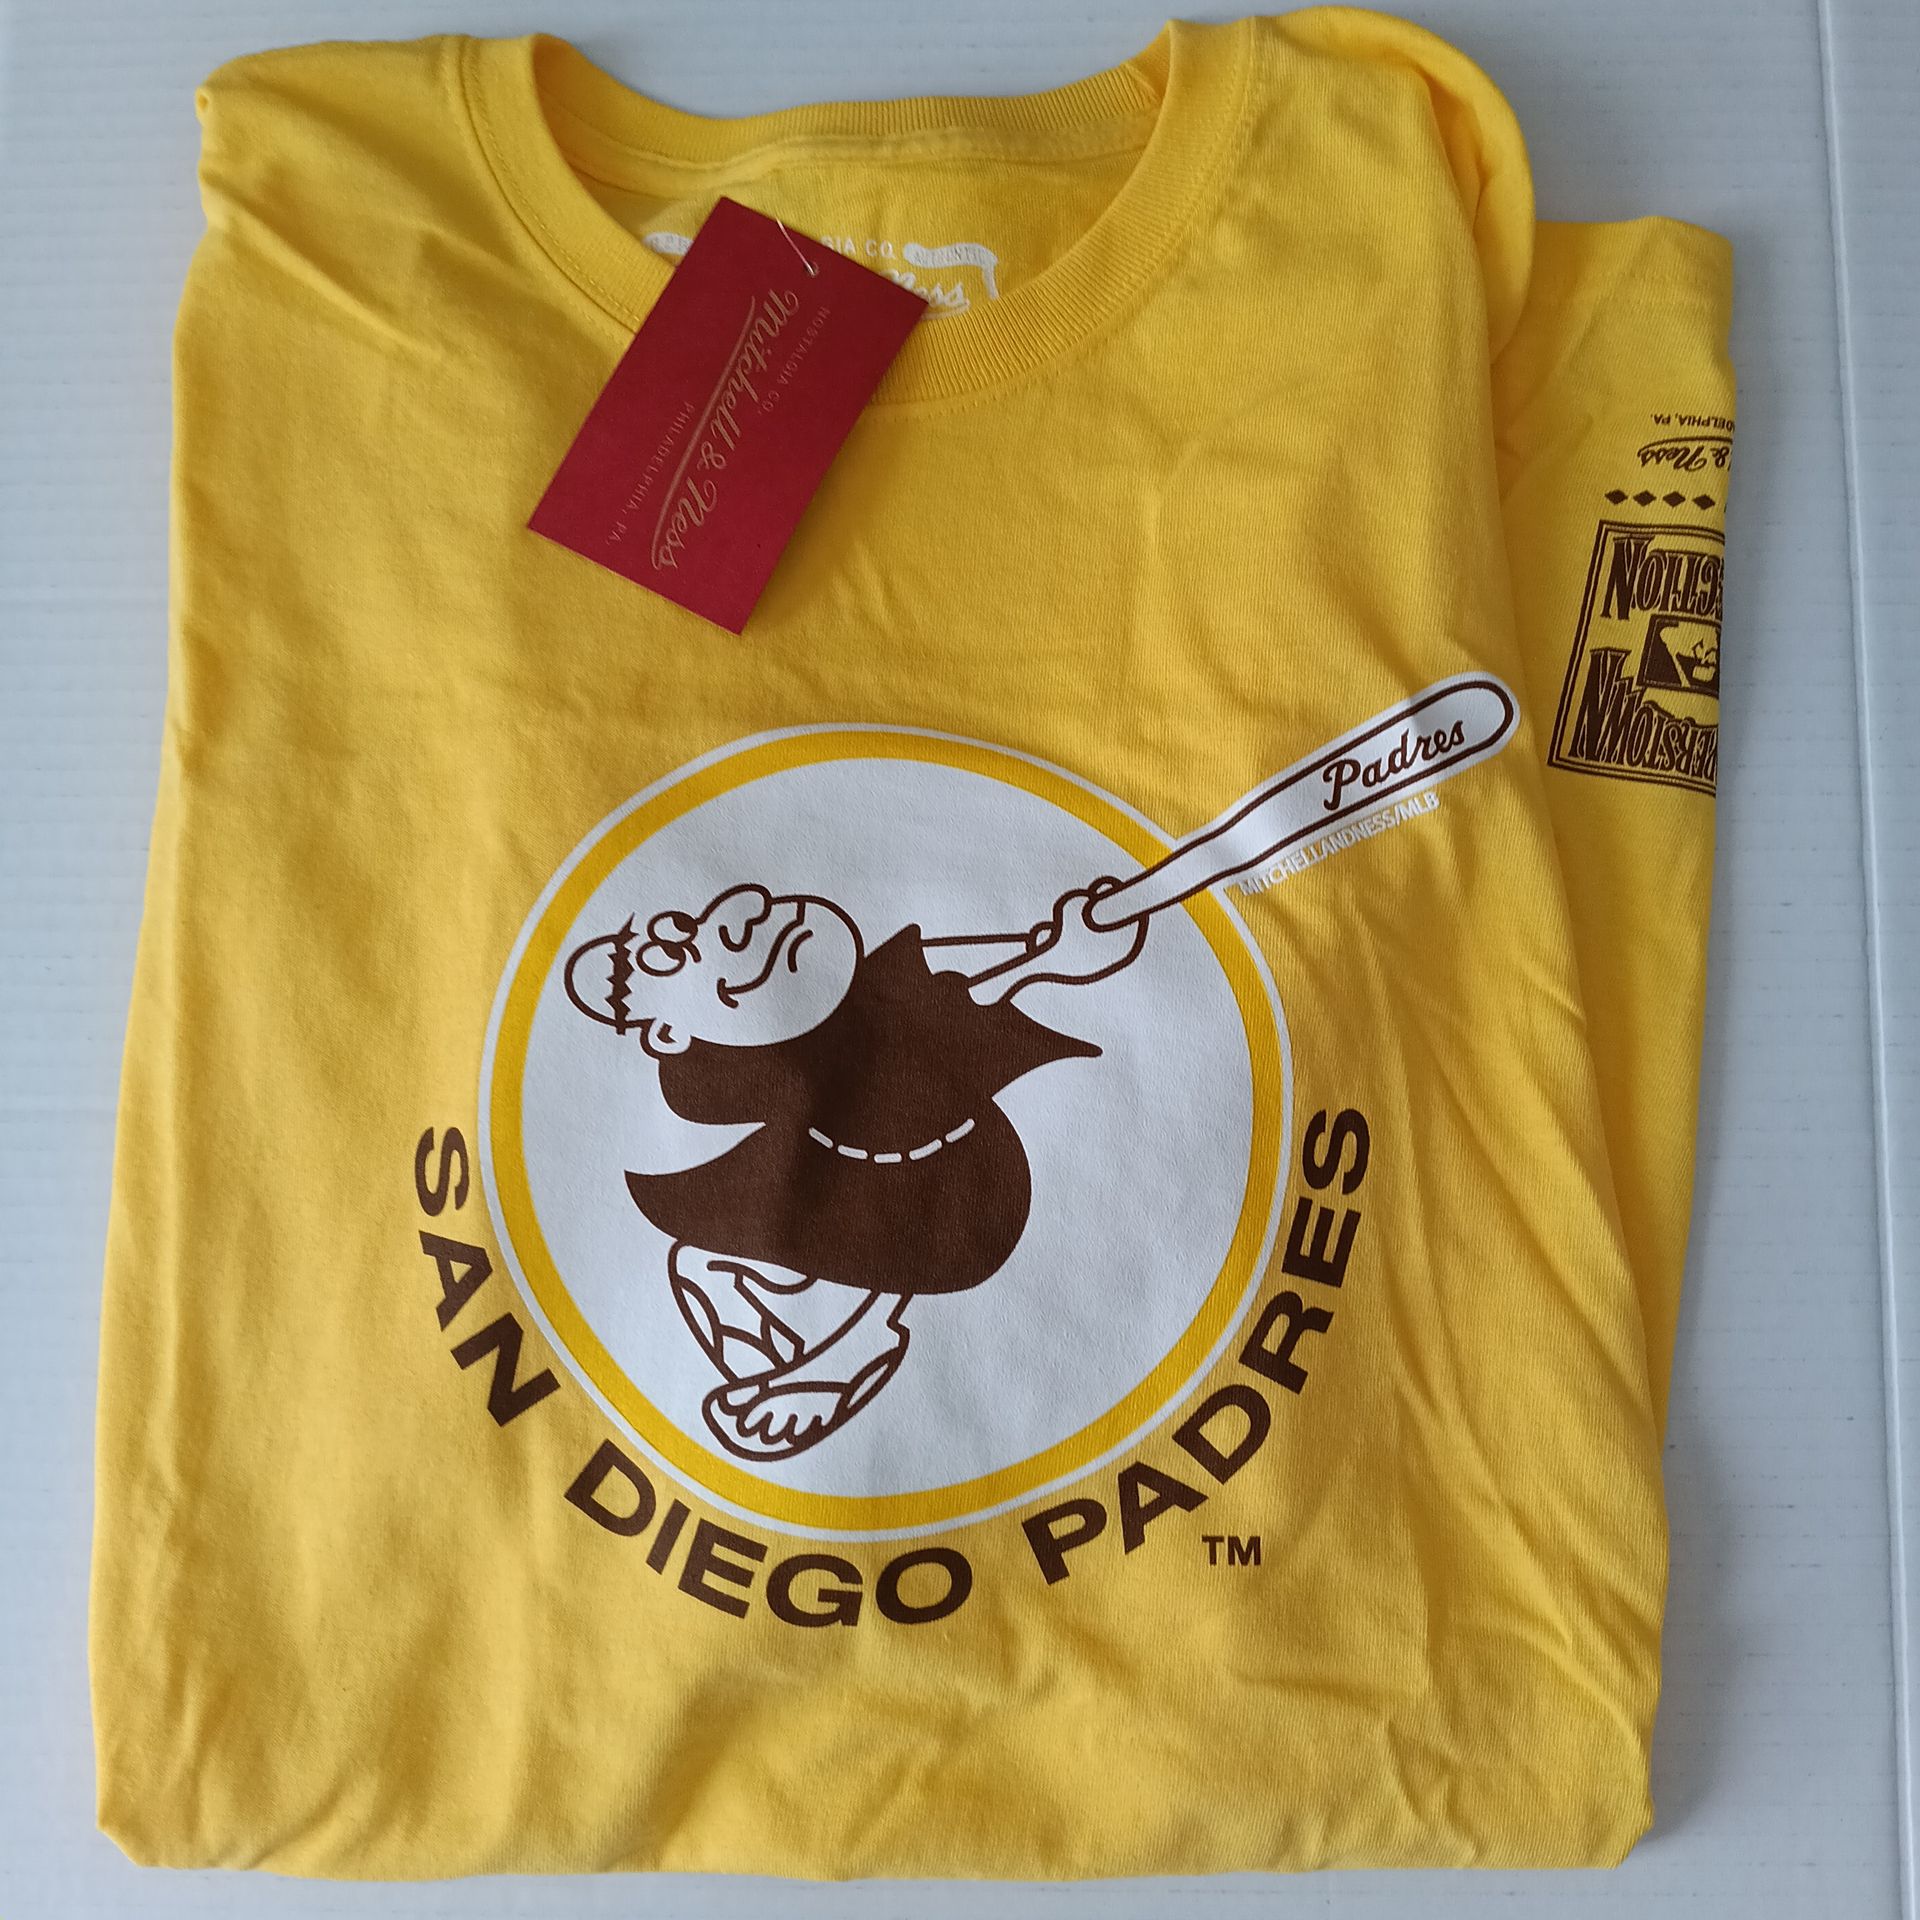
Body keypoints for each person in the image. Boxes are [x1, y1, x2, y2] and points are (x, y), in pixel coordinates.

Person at [563, 878, 1147, 1459]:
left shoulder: (888, 978)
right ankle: (793, 1369)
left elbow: (1010, 966)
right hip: (853, 1179)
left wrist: (1061, 951)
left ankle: (846, 1347)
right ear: (668, 1034)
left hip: (963, 1183)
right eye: (683, 955)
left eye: (691, 929)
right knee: (701, 1264)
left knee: (852, 1220)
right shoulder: (725, 1070)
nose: (745, 913)